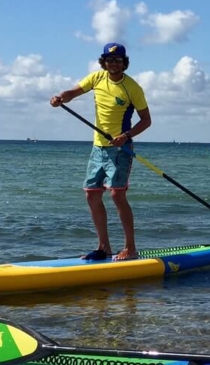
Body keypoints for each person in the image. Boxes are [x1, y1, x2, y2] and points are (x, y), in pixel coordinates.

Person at [50, 42, 151, 261]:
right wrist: (60, 98)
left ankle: (130, 248)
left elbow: (146, 121)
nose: (113, 63)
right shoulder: (96, 78)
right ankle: (103, 247)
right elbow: (72, 92)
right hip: (98, 148)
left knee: (117, 194)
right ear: (103, 61)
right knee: (91, 194)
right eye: (109, 59)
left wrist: (126, 136)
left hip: (120, 148)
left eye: (118, 60)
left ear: (124, 63)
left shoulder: (132, 88)